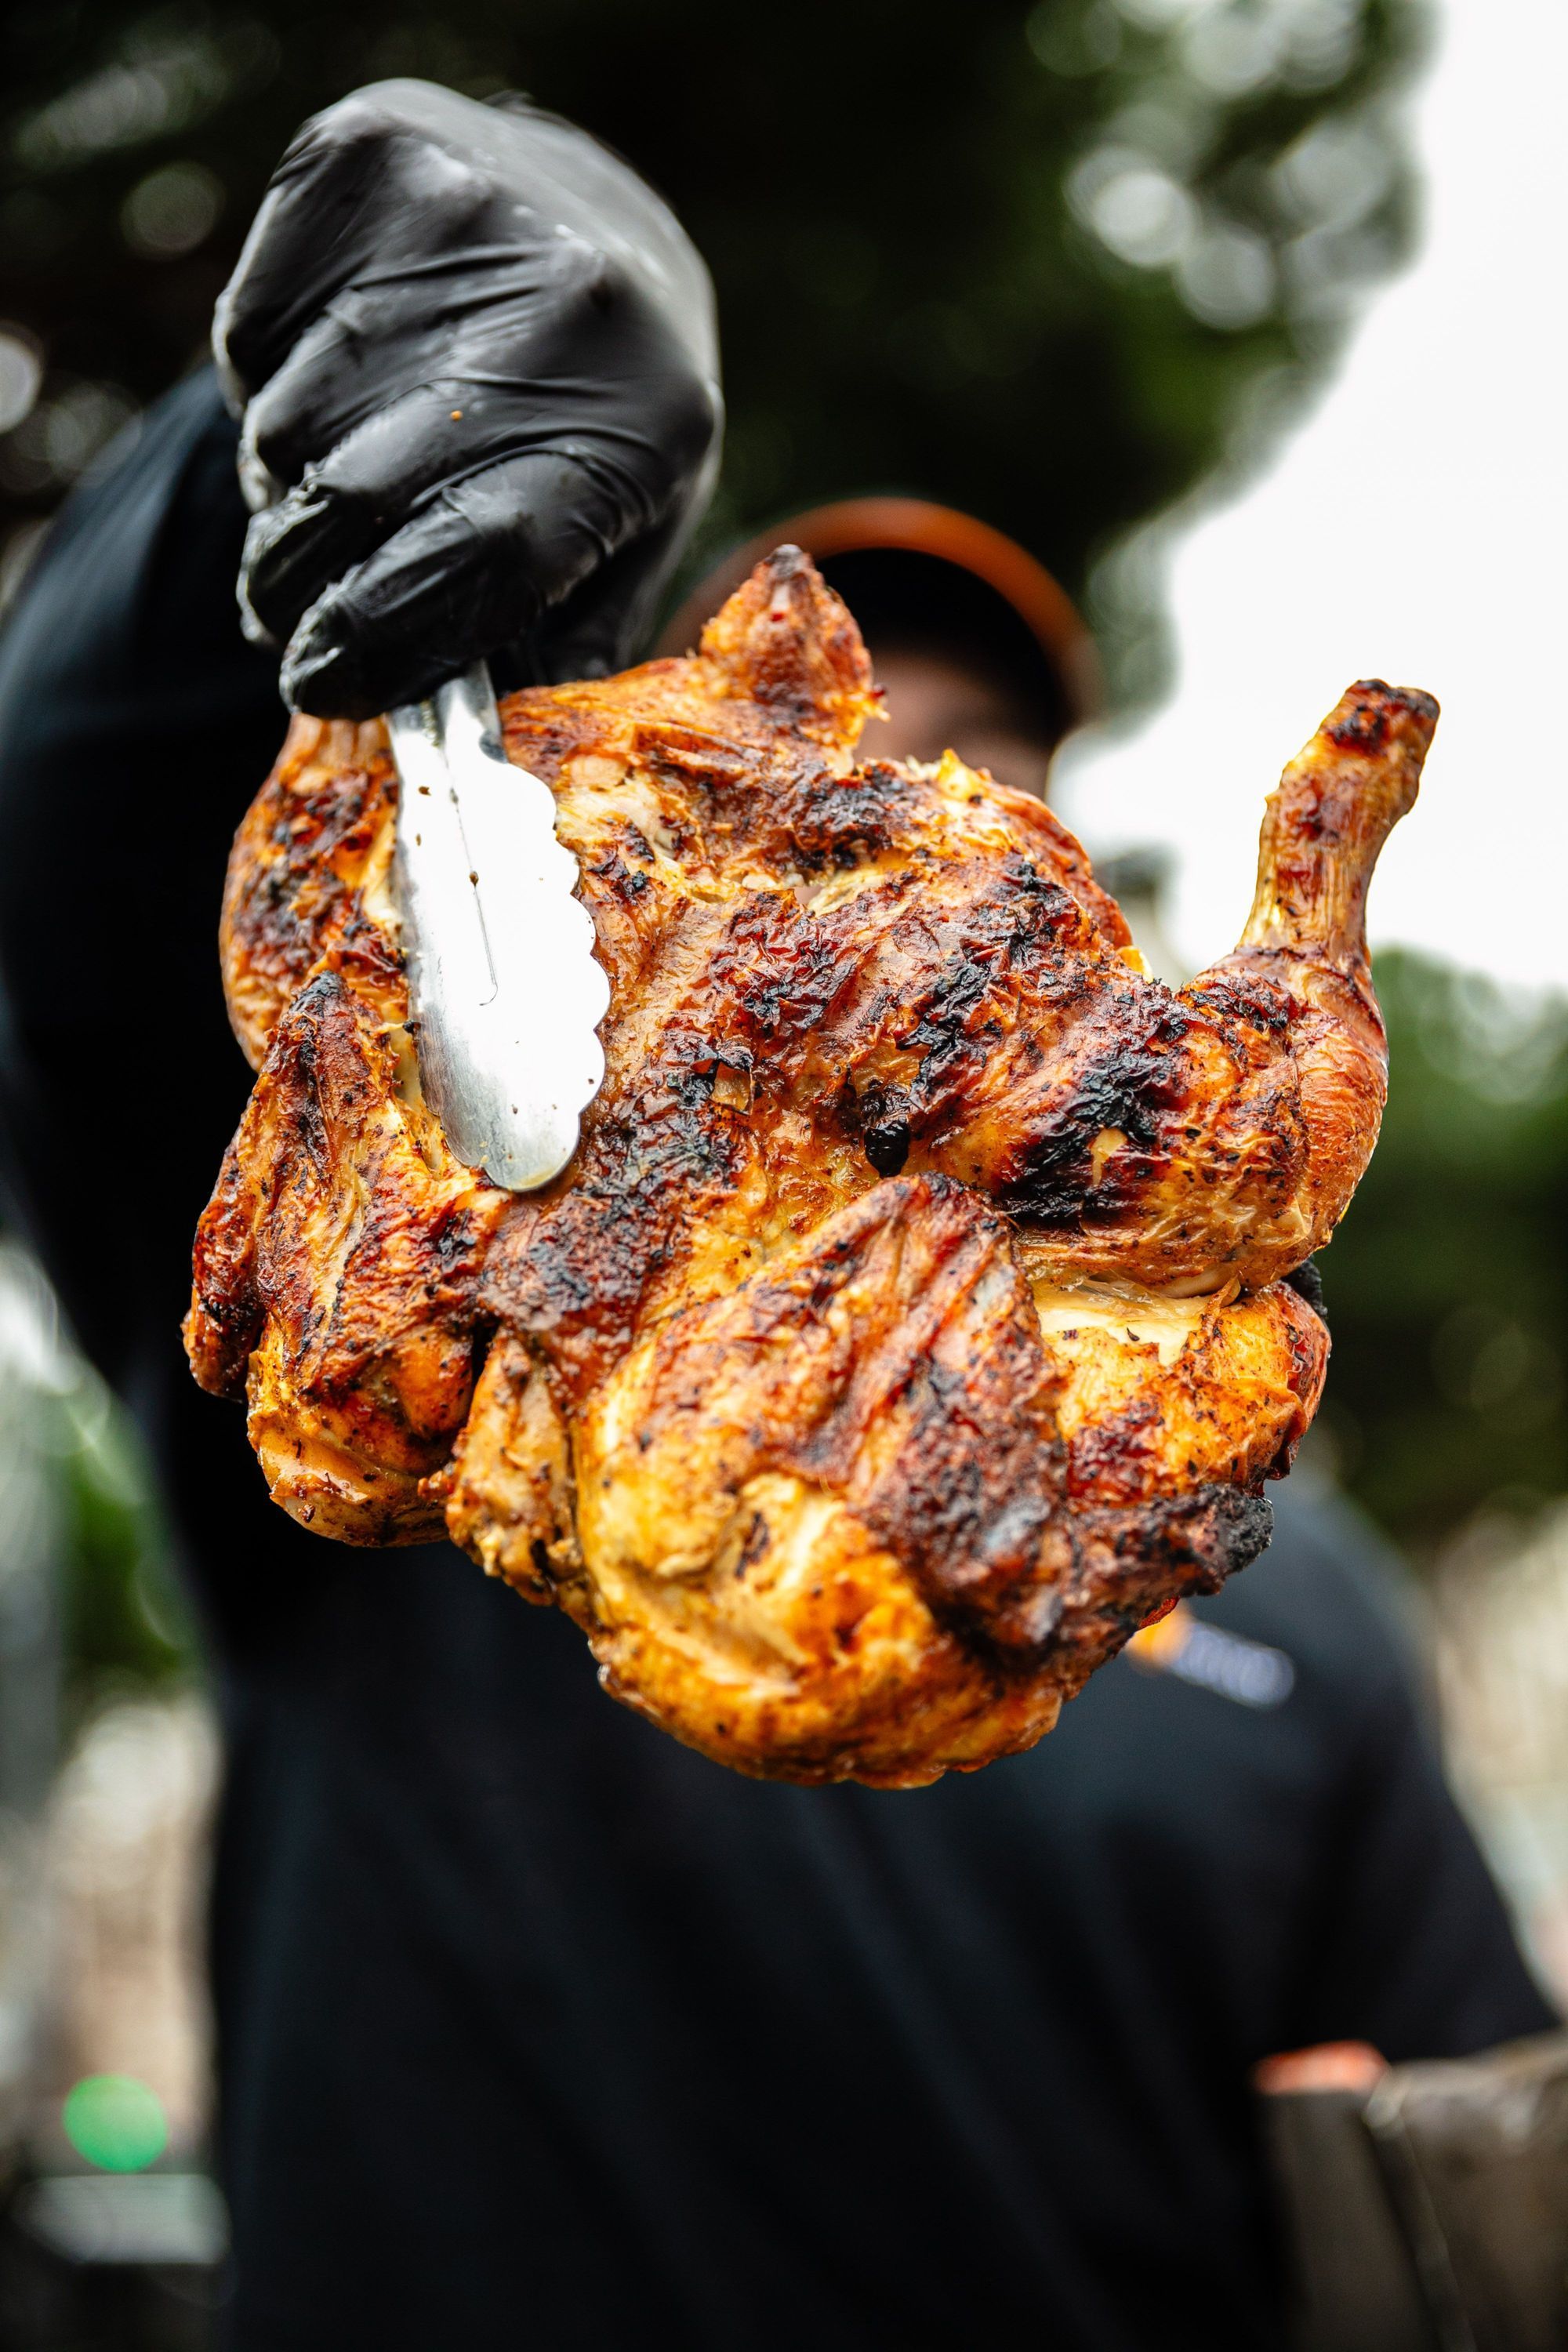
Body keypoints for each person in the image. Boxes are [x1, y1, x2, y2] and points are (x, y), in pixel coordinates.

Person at [0, 81, 1552, 2352]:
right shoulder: (455, 1356)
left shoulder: (1291, 1598)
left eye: (982, 778)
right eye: (842, 794)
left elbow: (1445, 2121)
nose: (915, 811)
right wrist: (340, 405)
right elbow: (86, 805)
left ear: (1062, 891)